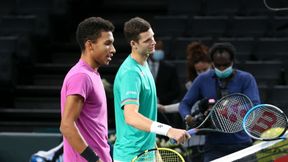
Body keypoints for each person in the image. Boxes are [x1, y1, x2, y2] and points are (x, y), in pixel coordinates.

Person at [113, 17, 190, 162]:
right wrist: (169, 130)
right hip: (131, 156)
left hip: (148, 152)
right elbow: (131, 116)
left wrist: (155, 152)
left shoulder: (144, 63)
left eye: (152, 36)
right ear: (133, 44)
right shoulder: (131, 73)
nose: (153, 42)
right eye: (147, 40)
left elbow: (145, 115)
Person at [179, 42, 261, 162]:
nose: (222, 68)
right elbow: (184, 104)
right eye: (218, 65)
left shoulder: (246, 78)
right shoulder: (202, 79)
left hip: (242, 144)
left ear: (232, 62)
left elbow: (255, 106)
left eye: (225, 65)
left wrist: (225, 112)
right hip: (214, 146)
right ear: (212, 63)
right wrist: (187, 117)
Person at [60, 17, 116, 162]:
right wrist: (95, 160)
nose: (113, 49)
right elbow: (66, 126)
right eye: (108, 44)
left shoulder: (92, 75)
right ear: (90, 45)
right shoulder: (81, 76)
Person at [148, 39, 182, 128]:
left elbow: (176, 91)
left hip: (164, 111)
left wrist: (160, 99)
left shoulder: (170, 68)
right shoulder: (140, 67)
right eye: (156, 48)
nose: (159, 51)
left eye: (160, 49)